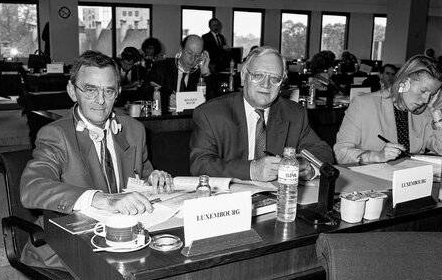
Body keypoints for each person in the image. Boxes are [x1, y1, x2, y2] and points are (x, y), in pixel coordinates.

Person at [20, 50, 173, 270]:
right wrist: (103, 199)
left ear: (118, 92)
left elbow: (143, 177)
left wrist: (155, 179)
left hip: (126, 235)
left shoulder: (134, 129)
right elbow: (32, 189)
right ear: (73, 91)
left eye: (108, 91)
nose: (100, 101)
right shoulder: (56, 135)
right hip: (74, 242)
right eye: (90, 90)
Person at [190, 46, 334, 182]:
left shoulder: (294, 113)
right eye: (258, 75)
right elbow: (200, 164)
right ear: (243, 76)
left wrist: (307, 166)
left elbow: (323, 152)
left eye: (275, 78)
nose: (266, 85)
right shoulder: (210, 114)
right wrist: (252, 170)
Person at [334, 54, 442, 165]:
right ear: (405, 82)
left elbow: (440, 149)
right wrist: (376, 156)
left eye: (432, 94)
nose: (426, 100)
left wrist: (436, 113)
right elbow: (341, 153)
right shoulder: (363, 104)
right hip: (372, 178)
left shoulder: (424, 112)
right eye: (423, 91)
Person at [148, 34, 215, 113]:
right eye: (189, 53)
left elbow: (214, 103)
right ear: (181, 50)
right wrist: (165, 100)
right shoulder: (161, 68)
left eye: (197, 55)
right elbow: (144, 94)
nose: (192, 59)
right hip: (165, 119)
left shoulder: (199, 75)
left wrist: (206, 72)